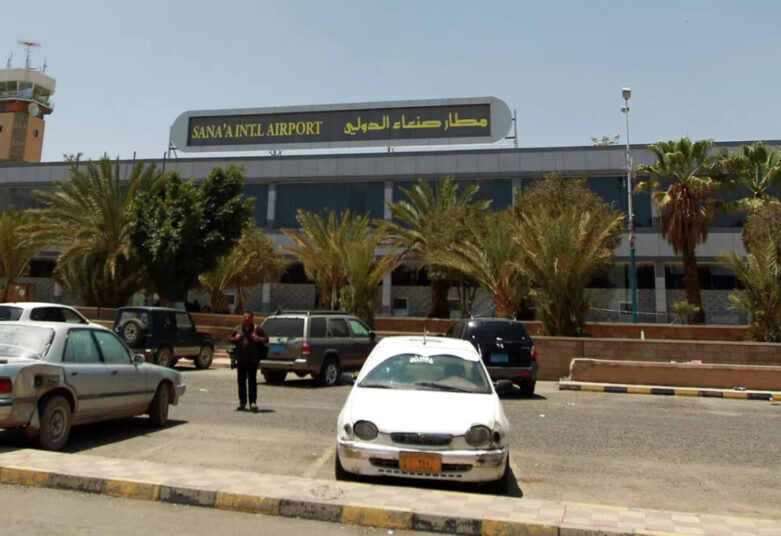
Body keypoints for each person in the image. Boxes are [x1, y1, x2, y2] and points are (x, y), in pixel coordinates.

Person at [229, 311, 268, 412]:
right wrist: (235, 338)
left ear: (252, 318)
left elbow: (266, 339)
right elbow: (229, 339)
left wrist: (258, 338)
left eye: (248, 317)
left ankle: (252, 402)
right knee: (241, 382)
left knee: (252, 382)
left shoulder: (257, 329)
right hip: (241, 360)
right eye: (245, 317)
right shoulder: (238, 329)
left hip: (252, 360)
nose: (246, 319)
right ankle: (242, 402)